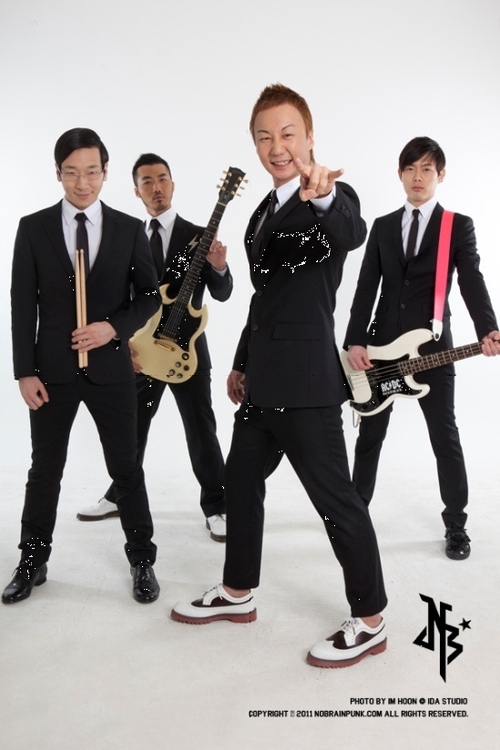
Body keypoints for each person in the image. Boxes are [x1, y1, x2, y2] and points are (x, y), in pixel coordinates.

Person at [171, 84, 388, 668]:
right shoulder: (260, 213)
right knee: (240, 483)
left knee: (337, 502)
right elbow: (263, 298)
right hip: (263, 384)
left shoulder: (331, 198)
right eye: (264, 136)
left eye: (288, 133)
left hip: (308, 384)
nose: (277, 146)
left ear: (309, 137)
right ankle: (237, 591)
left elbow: (350, 231)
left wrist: (325, 194)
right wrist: (242, 361)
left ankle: (371, 619)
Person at [2, 128, 162, 605]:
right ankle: (32, 560)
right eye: (71, 172)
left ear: (105, 172)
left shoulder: (129, 229)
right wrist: (24, 371)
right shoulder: (33, 228)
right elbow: (21, 305)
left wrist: (111, 328)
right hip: (50, 373)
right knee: (44, 469)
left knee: (126, 468)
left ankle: (142, 560)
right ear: (58, 173)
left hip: (111, 370)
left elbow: (149, 297)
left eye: (92, 171)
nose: (83, 182)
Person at [343, 136, 500, 561]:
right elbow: (365, 287)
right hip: (380, 348)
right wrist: (356, 340)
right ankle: (355, 517)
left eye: (427, 169)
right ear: (400, 174)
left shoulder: (456, 225)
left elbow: (471, 279)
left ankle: (456, 525)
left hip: (432, 347)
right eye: (410, 168)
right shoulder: (382, 226)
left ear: (440, 175)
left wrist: (488, 329)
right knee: (370, 436)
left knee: (444, 436)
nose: (418, 177)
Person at [76, 153, 232, 541]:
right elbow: (119, 298)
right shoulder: (128, 237)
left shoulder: (199, 235)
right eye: (147, 181)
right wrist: (121, 342)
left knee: (201, 429)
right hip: (142, 351)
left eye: (162, 179)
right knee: (130, 428)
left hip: (187, 351)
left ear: (173, 185)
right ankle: (119, 494)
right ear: (136, 191)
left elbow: (223, 293)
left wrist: (218, 266)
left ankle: (217, 505)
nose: (156, 187)